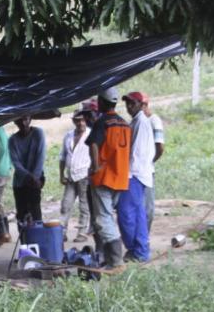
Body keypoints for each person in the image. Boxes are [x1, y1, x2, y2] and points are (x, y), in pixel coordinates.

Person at [86, 87, 131, 268]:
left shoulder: (102, 122)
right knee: (108, 217)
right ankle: (109, 258)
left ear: (102, 102)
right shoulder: (124, 123)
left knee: (103, 219)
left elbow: (94, 145)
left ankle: (116, 261)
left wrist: (95, 166)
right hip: (120, 177)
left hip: (104, 177)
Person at [118, 91, 153, 262]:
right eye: (127, 104)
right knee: (137, 213)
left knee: (126, 214)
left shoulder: (140, 122)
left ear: (140, 104)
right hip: (138, 174)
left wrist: (126, 173)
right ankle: (140, 250)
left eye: (132, 103)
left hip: (134, 174)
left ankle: (135, 249)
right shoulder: (137, 122)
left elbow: (135, 153)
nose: (129, 107)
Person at [8, 116, 46, 231]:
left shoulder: (38, 133)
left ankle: (37, 244)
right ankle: (24, 243)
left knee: (35, 215)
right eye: (20, 120)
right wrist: (29, 177)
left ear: (30, 119)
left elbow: (40, 156)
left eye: (26, 119)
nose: (23, 123)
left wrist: (35, 177)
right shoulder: (12, 140)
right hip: (20, 183)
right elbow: (16, 163)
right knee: (22, 216)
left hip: (36, 181)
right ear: (15, 121)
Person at [59, 110, 92, 242]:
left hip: (84, 175)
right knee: (66, 204)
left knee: (84, 206)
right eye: (77, 120)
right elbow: (62, 156)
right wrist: (61, 174)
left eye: (82, 120)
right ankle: (61, 232)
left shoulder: (90, 134)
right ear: (73, 121)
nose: (80, 123)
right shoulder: (68, 136)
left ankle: (82, 233)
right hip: (71, 175)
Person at [141, 103, 165, 231]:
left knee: (147, 207)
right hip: (138, 170)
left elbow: (160, 147)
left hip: (147, 170)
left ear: (144, 105)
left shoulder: (154, 121)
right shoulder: (139, 121)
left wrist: (150, 161)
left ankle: (145, 237)